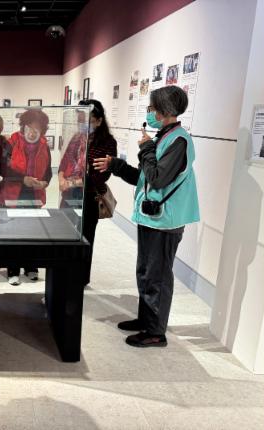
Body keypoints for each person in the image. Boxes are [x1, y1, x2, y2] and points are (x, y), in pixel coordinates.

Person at [93, 85, 200, 348]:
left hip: (165, 221)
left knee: (157, 276)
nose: (149, 112)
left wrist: (147, 148)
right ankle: (146, 319)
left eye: (152, 108)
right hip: (152, 217)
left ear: (164, 110)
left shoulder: (179, 141)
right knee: (145, 272)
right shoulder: (165, 137)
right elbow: (143, 178)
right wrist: (116, 165)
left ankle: (155, 332)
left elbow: (158, 178)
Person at [58, 100, 117, 286]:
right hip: (69, 195)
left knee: (85, 238)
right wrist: (61, 178)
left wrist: (73, 182)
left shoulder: (107, 143)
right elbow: (65, 161)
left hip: (89, 197)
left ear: (98, 121)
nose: (82, 124)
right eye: (80, 119)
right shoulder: (77, 137)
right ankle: (64, 274)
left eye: (86, 120)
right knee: (64, 234)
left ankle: (80, 279)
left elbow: (101, 176)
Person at [0, 109, 52, 285]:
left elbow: (48, 171)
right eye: (30, 127)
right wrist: (23, 179)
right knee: (14, 232)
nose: (33, 132)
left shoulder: (44, 145)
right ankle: (13, 269)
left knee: (32, 232)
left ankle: (31, 266)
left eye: (37, 129)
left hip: (34, 193)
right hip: (13, 193)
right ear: (23, 126)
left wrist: (45, 182)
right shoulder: (11, 142)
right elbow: (3, 169)